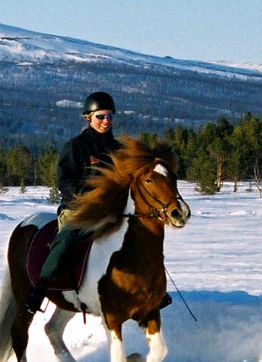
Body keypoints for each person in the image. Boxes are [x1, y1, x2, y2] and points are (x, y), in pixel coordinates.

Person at [24, 91, 172, 313]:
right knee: (65, 241)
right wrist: (87, 196)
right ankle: (40, 290)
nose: (106, 121)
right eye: (101, 116)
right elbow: (65, 181)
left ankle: (152, 290)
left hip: (112, 210)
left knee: (141, 239)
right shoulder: (76, 147)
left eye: (110, 116)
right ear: (88, 117)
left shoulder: (119, 149)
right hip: (80, 209)